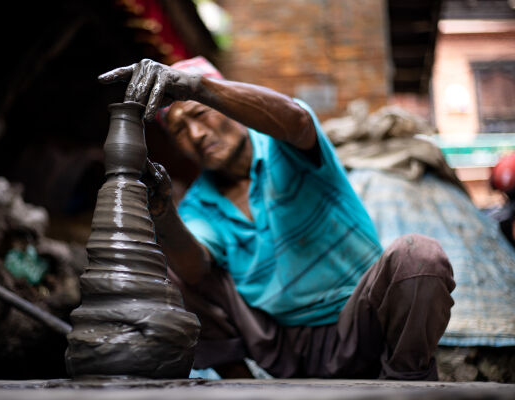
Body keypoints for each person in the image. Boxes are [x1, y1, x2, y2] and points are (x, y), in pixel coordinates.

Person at [98, 57, 456, 380]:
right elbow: (195, 270)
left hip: (361, 325)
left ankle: (404, 381)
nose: (195, 134)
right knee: (172, 266)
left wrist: (196, 86)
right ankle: (243, 387)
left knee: (418, 255)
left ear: (224, 106)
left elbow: (295, 120)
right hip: (279, 344)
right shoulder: (198, 206)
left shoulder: (285, 147)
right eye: (179, 130)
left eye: (200, 114)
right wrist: (162, 216)